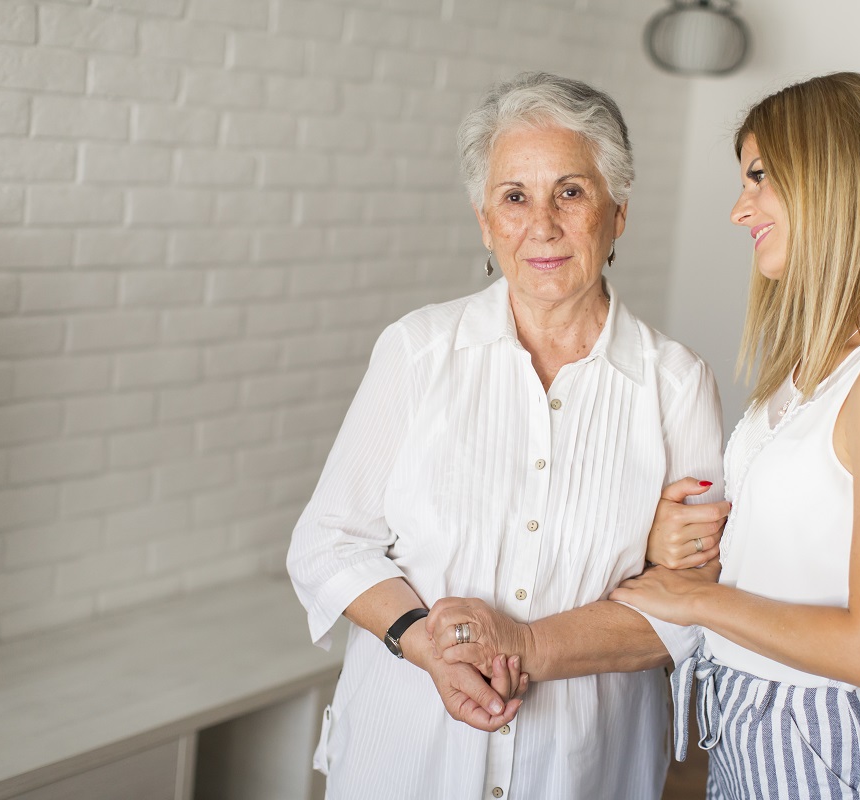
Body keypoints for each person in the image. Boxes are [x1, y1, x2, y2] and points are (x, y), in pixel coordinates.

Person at [286, 72, 727, 800]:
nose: (542, 224)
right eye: (514, 197)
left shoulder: (677, 385)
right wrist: (430, 645)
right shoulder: (417, 351)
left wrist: (525, 644)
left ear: (618, 213)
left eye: (571, 192)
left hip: (583, 771)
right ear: (485, 221)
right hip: (403, 760)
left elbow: (684, 613)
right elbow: (328, 543)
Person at [612, 72, 860, 799]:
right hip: (749, 726)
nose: (739, 209)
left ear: (831, 176)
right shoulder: (815, 363)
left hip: (821, 749)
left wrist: (695, 601)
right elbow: (793, 545)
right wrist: (690, 535)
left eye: (759, 178)